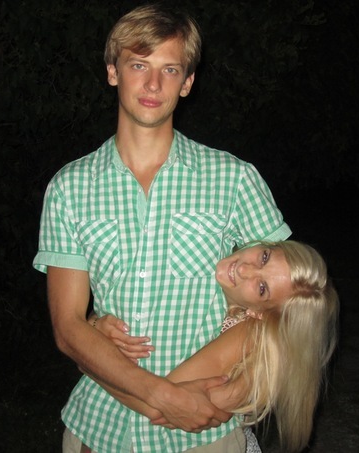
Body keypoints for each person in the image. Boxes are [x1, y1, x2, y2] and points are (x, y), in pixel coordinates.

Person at [32, 4, 292, 453]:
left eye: (170, 69)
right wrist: (161, 395)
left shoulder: (233, 179)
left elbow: (291, 301)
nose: (153, 84)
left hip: (203, 433)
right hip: (100, 429)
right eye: (139, 65)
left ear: (187, 82)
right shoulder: (69, 188)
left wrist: (233, 387)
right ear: (112, 72)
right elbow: (67, 327)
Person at [91, 240, 339, 453]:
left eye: (262, 288)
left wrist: (87, 354)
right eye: (264, 257)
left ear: (260, 313)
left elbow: (155, 405)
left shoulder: (246, 334)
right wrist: (94, 324)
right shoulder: (210, 290)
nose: (244, 269)